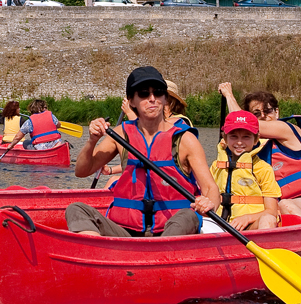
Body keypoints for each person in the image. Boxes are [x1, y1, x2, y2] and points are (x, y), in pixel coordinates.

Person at [66, 66, 217, 237]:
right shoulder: (120, 135)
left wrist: (208, 202)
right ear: (131, 101)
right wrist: (92, 140)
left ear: (165, 98)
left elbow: (211, 188)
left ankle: (160, 255)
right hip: (127, 232)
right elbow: (81, 171)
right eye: (144, 94)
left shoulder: (185, 139)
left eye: (158, 92)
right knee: (76, 209)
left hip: (172, 230)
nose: (152, 99)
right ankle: (101, 253)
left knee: (188, 215)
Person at [218, 82, 301, 220]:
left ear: (277, 112)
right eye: (257, 113)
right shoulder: (250, 147)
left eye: (268, 111)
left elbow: (244, 122)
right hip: (281, 204)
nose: (264, 116)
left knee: (285, 205)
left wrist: (229, 95)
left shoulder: (286, 130)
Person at [205, 109, 281, 231]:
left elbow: (272, 211)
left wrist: (246, 218)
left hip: (250, 226)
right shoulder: (215, 166)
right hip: (220, 224)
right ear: (225, 137)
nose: (239, 142)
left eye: (246, 137)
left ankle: (264, 246)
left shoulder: (263, 169)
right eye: (233, 136)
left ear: (256, 139)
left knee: (268, 219)